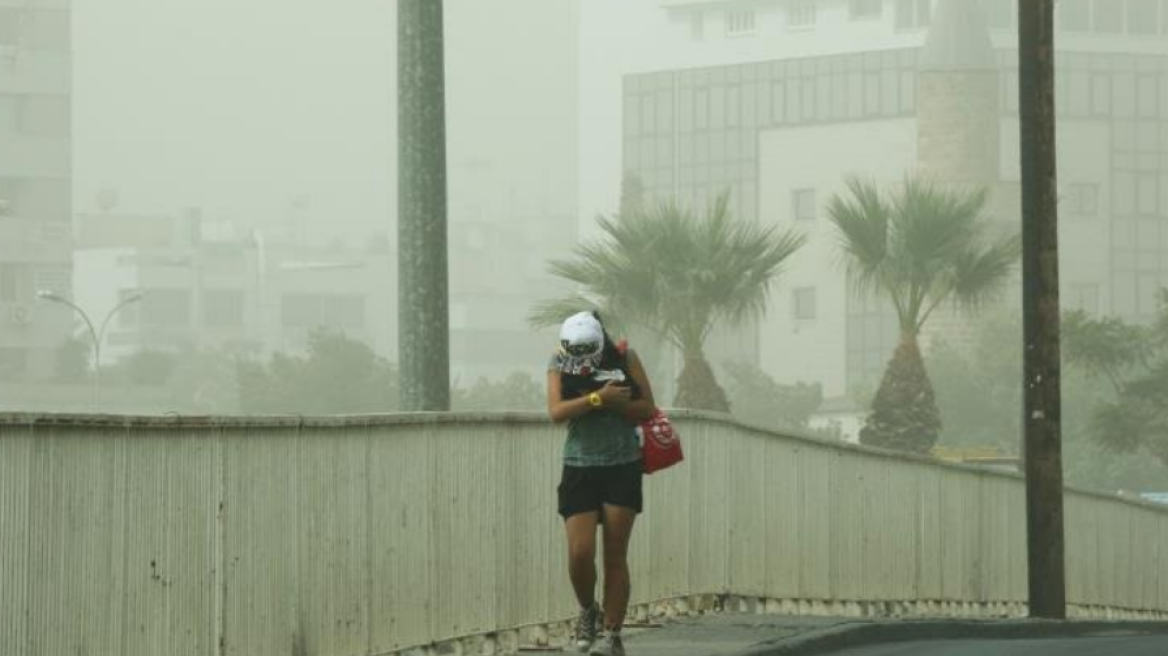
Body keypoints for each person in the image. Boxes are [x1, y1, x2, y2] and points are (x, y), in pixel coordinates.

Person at [546, 311, 657, 656]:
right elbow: (555, 411)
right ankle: (587, 610)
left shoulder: (625, 357)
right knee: (580, 553)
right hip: (579, 466)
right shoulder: (557, 362)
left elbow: (648, 408)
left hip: (621, 464)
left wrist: (618, 403)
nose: (579, 356)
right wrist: (597, 399)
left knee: (614, 554)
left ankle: (611, 635)